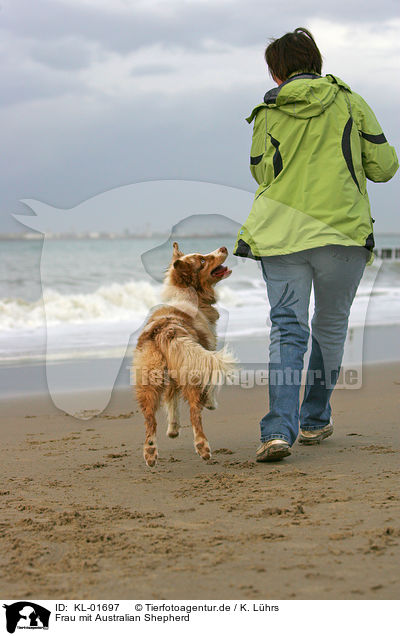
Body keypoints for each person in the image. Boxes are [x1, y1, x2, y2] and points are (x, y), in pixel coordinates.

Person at [233, 27, 398, 462]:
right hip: (342, 234)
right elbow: (384, 168)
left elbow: (262, 174)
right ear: (317, 61)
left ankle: (278, 431)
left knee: (288, 329)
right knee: (329, 328)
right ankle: (314, 419)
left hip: (282, 235)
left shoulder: (267, 113)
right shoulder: (350, 101)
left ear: (276, 73)